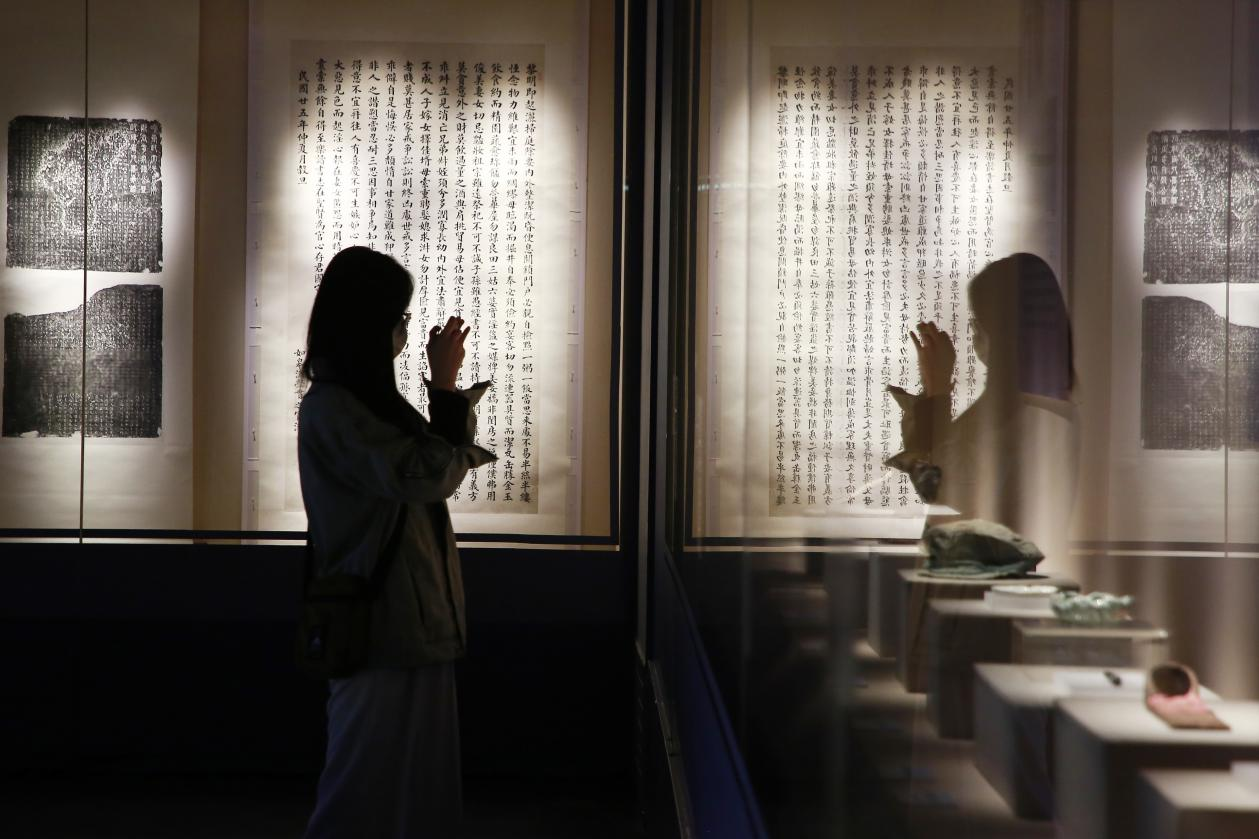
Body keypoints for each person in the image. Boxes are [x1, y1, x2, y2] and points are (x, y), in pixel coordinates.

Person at [297, 246, 495, 838]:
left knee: (418, 791)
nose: (406, 330)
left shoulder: (364, 405)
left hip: (411, 623)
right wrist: (445, 387)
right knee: (359, 790)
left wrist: (447, 397)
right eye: (399, 317)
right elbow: (424, 473)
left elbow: (429, 465)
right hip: (378, 625)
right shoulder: (333, 409)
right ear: (369, 323)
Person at [887, 252, 1079, 568]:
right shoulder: (1047, 406)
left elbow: (945, 492)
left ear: (1001, 333)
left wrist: (937, 388)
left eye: (977, 324)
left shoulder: (1027, 414)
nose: (974, 336)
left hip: (983, 580)